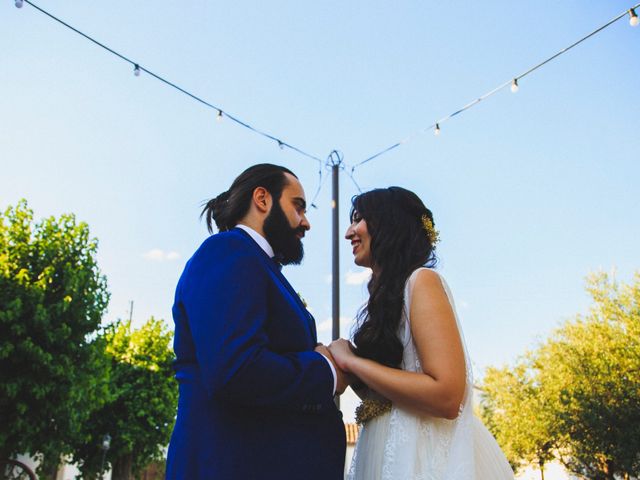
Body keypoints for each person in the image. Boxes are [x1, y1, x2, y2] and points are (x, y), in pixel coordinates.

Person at [166, 164, 347, 480]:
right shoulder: (228, 251)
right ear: (262, 199)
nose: (305, 222)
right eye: (298, 206)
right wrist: (327, 370)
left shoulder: (257, 264)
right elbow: (236, 369)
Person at [328, 187, 514, 479]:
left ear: (388, 224)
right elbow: (389, 396)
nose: (349, 232)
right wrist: (347, 366)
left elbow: (447, 395)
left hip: (421, 458)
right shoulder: (383, 300)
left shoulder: (421, 281)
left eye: (359, 219)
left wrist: (353, 362)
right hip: (382, 451)